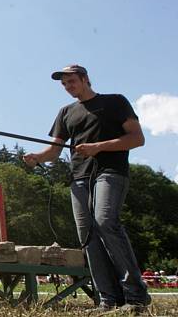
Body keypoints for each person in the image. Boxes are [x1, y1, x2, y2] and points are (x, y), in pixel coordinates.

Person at [23, 64, 150, 313]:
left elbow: (137, 138)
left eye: (72, 81)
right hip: (79, 178)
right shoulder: (66, 112)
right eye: (64, 84)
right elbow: (55, 150)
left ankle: (136, 296)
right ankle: (108, 300)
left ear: (85, 79)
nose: (68, 87)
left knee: (105, 222)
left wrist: (98, 146)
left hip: (110, 173)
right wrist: (37, 157)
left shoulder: (114, 102)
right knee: (88, 237)